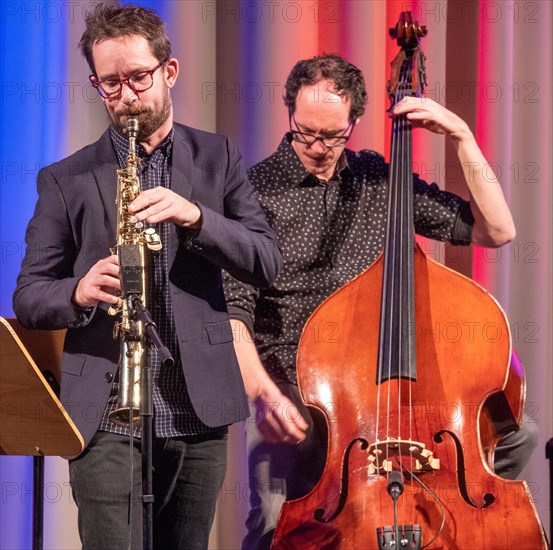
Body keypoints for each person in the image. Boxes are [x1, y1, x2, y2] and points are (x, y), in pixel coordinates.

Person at [223, 54, 538, 549]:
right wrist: (263, 393)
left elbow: (497, 229)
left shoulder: (379, 179)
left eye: (333, 135)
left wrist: (461, 136)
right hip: (299, 390)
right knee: (279, 531)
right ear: (290, 114)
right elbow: (232, 313)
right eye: (305, 133)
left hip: (387, 383)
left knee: (515, 433)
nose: (318, 148)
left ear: (354, 122)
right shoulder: (253, 193)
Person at [13, 3, 282, 549]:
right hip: (107, 415)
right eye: (110, 84)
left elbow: (265, 260)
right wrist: (79, 290)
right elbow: (30, 295)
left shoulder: (218, 157)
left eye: (138, 77)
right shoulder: (65, 179)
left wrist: (198, 217)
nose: (127, 95)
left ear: (170, 71)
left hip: (195, 408)